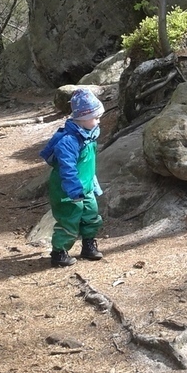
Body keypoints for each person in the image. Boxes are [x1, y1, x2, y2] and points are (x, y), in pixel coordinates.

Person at [40, 88, 105, 268]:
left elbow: (88, 166)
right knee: (69, 219)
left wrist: (93, 183)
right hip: (67, 190)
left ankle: (88, 245)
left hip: (86, 187)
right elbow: (67, 169)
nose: (98, 121)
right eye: (95, 117)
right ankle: (59, 253)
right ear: (82, 118)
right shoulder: (68, 141)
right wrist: (74, 191)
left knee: (91, 216)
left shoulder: (89, 136)